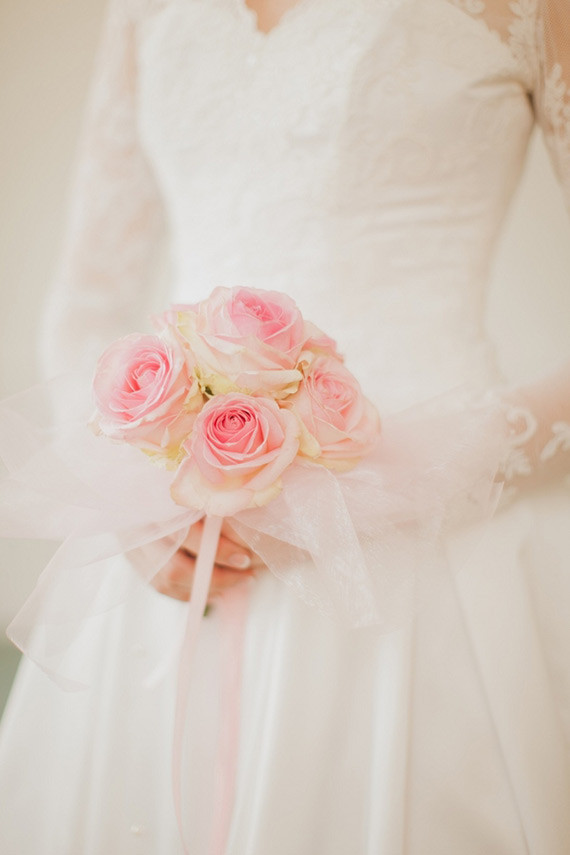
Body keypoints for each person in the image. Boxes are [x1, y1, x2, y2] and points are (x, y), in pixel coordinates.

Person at [0, 0, 569, 852]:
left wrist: (382, 489)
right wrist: (128, 507)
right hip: (178, 548)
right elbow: (86, 306)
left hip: (433, 558)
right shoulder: (143, 13)